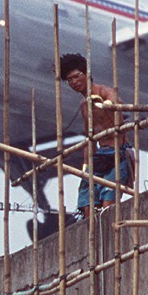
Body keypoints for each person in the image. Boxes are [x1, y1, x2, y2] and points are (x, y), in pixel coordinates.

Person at [59, 52, 136, 219]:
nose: (74, 82)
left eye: (77, 76)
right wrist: (86, 168)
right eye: (70, 79)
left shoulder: (103, 92)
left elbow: (116, 102)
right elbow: (90, 140)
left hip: (118, 153)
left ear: (87, 74)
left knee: (109, 205)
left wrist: (106, 104)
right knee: (87, 206)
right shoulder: (84, 106)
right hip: (100, 156)